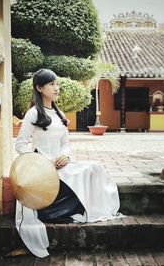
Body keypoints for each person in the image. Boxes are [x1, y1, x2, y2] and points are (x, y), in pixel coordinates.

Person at [15, 69, 123, 258]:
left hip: (62, 164)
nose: (57, 88)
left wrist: (66, 156)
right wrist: (45, 162)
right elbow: (21, 144)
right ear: (40, 88)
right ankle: (61, 210)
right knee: (77, 175)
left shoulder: (59, 113)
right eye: (51, 84)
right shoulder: (33, 114)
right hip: (44, 167)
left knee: (94, 168)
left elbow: (65, 145)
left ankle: (86, 207)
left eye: (57, 84)